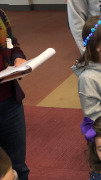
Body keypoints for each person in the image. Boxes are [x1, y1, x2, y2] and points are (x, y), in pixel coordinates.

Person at [0, 9, 29, 179]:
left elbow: (12, 43)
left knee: (18, 166)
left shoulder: (0, 15)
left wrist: (18, 58)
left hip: (10, 101)